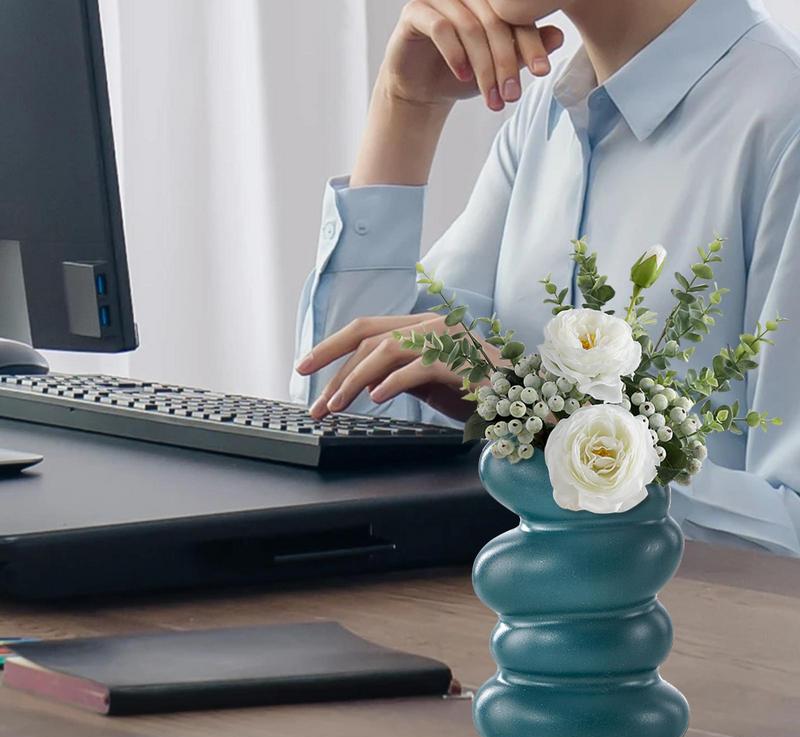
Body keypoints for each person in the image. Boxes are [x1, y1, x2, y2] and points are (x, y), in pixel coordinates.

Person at [292, 0, 800, 556]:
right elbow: (341, 427)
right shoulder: (549, 115)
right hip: (487, 625)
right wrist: (406, 105)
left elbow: (791, 529)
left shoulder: (782, 125)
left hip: (695, 639)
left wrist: (544, 417)